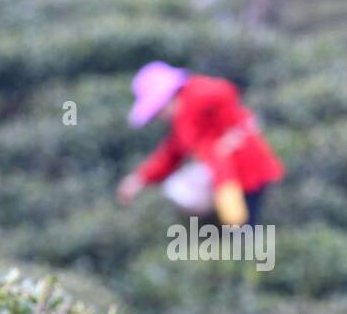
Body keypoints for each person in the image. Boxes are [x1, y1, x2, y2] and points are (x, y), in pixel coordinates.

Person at [116, 61, 284, 226]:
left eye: (158, 111)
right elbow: (171, 154)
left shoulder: (197, 99)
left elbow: (224, 95)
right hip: (224, 182)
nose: (159, 117)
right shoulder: (183, 122)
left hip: (247, 176)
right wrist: (140, 178)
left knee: (245, 228)